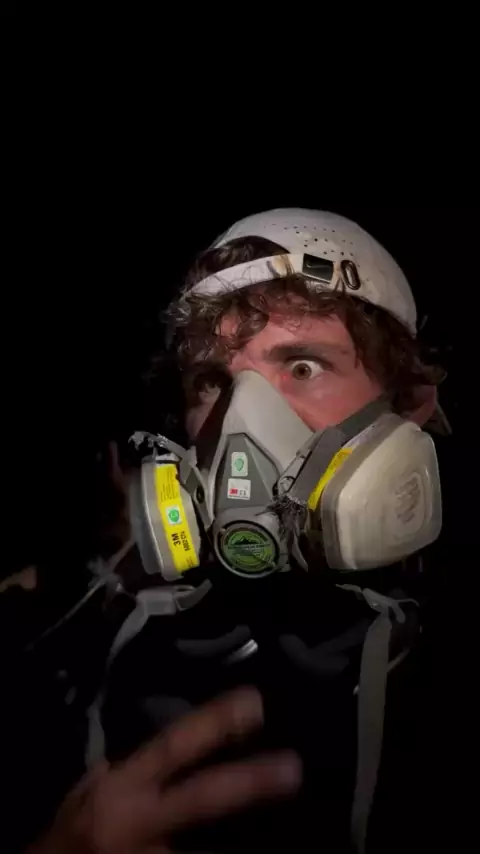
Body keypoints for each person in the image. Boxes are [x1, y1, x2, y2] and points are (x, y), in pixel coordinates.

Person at [30, 209, 449, 854]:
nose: (239, 424)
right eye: (211, 382)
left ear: (406, 407)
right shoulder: (123, 650)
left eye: (303, 367)